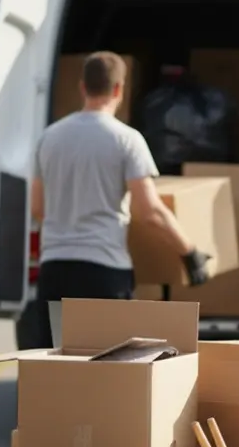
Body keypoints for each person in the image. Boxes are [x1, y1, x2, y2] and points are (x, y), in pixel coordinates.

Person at [31, 51, 211, 308]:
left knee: (61, 347)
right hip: (103, 272)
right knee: (107, 348)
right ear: (119, 89)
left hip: (55, 271)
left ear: (82, 87)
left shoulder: (48, 138)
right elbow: (149, 212)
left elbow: (38, 208)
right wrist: (190, 252)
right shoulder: (126, 140)